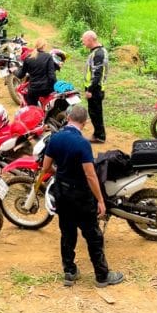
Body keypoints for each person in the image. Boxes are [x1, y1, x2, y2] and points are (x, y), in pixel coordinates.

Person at [39, 105, 123, 288]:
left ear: (68, 117)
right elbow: (90, 175)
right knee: (93, 236)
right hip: (81, 196)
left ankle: (69, 271)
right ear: (84, 123)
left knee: (67, 234)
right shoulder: (83, 144)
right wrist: (100, 200)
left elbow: (45, 167)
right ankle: (102, 276)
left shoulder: (55, 138)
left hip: (62, 192)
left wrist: (61, 173)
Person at [81, 30, 109, 144]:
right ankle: (98, 134)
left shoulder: (98, 54)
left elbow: (97, 74)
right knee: (95, 112)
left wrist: (89, 90)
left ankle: (99, 136)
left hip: (95, 89)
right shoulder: (98, 51)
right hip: (96, 88)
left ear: (90, 40)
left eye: (84, 40)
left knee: (95, 113)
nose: (83, 43)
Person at [16, 38, 57, 108]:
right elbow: (52, 76)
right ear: (44, 46)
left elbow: (20, 75)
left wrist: (14, 71)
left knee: (31, 108)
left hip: (33, 90)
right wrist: (55, 86)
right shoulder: (48, 57)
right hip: (47, 90)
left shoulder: (28, 58)